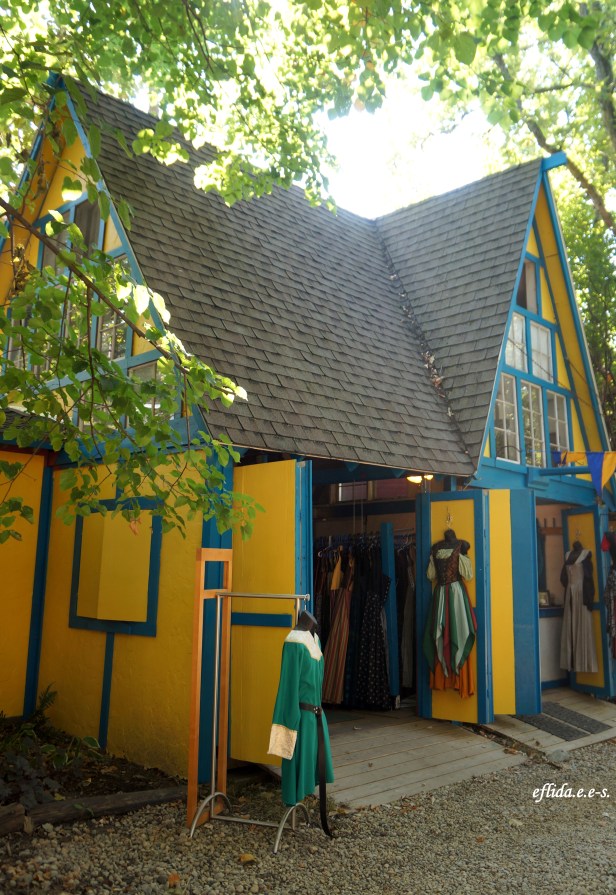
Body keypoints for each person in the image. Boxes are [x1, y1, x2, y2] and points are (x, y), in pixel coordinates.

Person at [268, 610, 334, 835]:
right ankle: (291, 808)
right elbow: (288, 689)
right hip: (300, 719)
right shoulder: (294, 642)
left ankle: (299, 812)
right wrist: (288, 724)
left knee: (312, 767)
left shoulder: (313, 638)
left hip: (315, 717)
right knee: (295, 767)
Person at [423, 528, 477, 698]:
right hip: (454, 593)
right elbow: (468, 575)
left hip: (442, 593)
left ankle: (447, 676)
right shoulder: (458, 547)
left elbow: (430, 575)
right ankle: (454, 675)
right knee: (454, 629)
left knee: (446, 629)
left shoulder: (438, 549)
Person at [559, 541, 598, 673]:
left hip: (581, 594)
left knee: (582, 625)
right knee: (570, 626)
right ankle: (573, 663)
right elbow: (563, 578)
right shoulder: (567, 555)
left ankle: (585, 664)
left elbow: (588, 578)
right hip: (570, 594)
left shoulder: (586, 555)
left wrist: (589, 598)